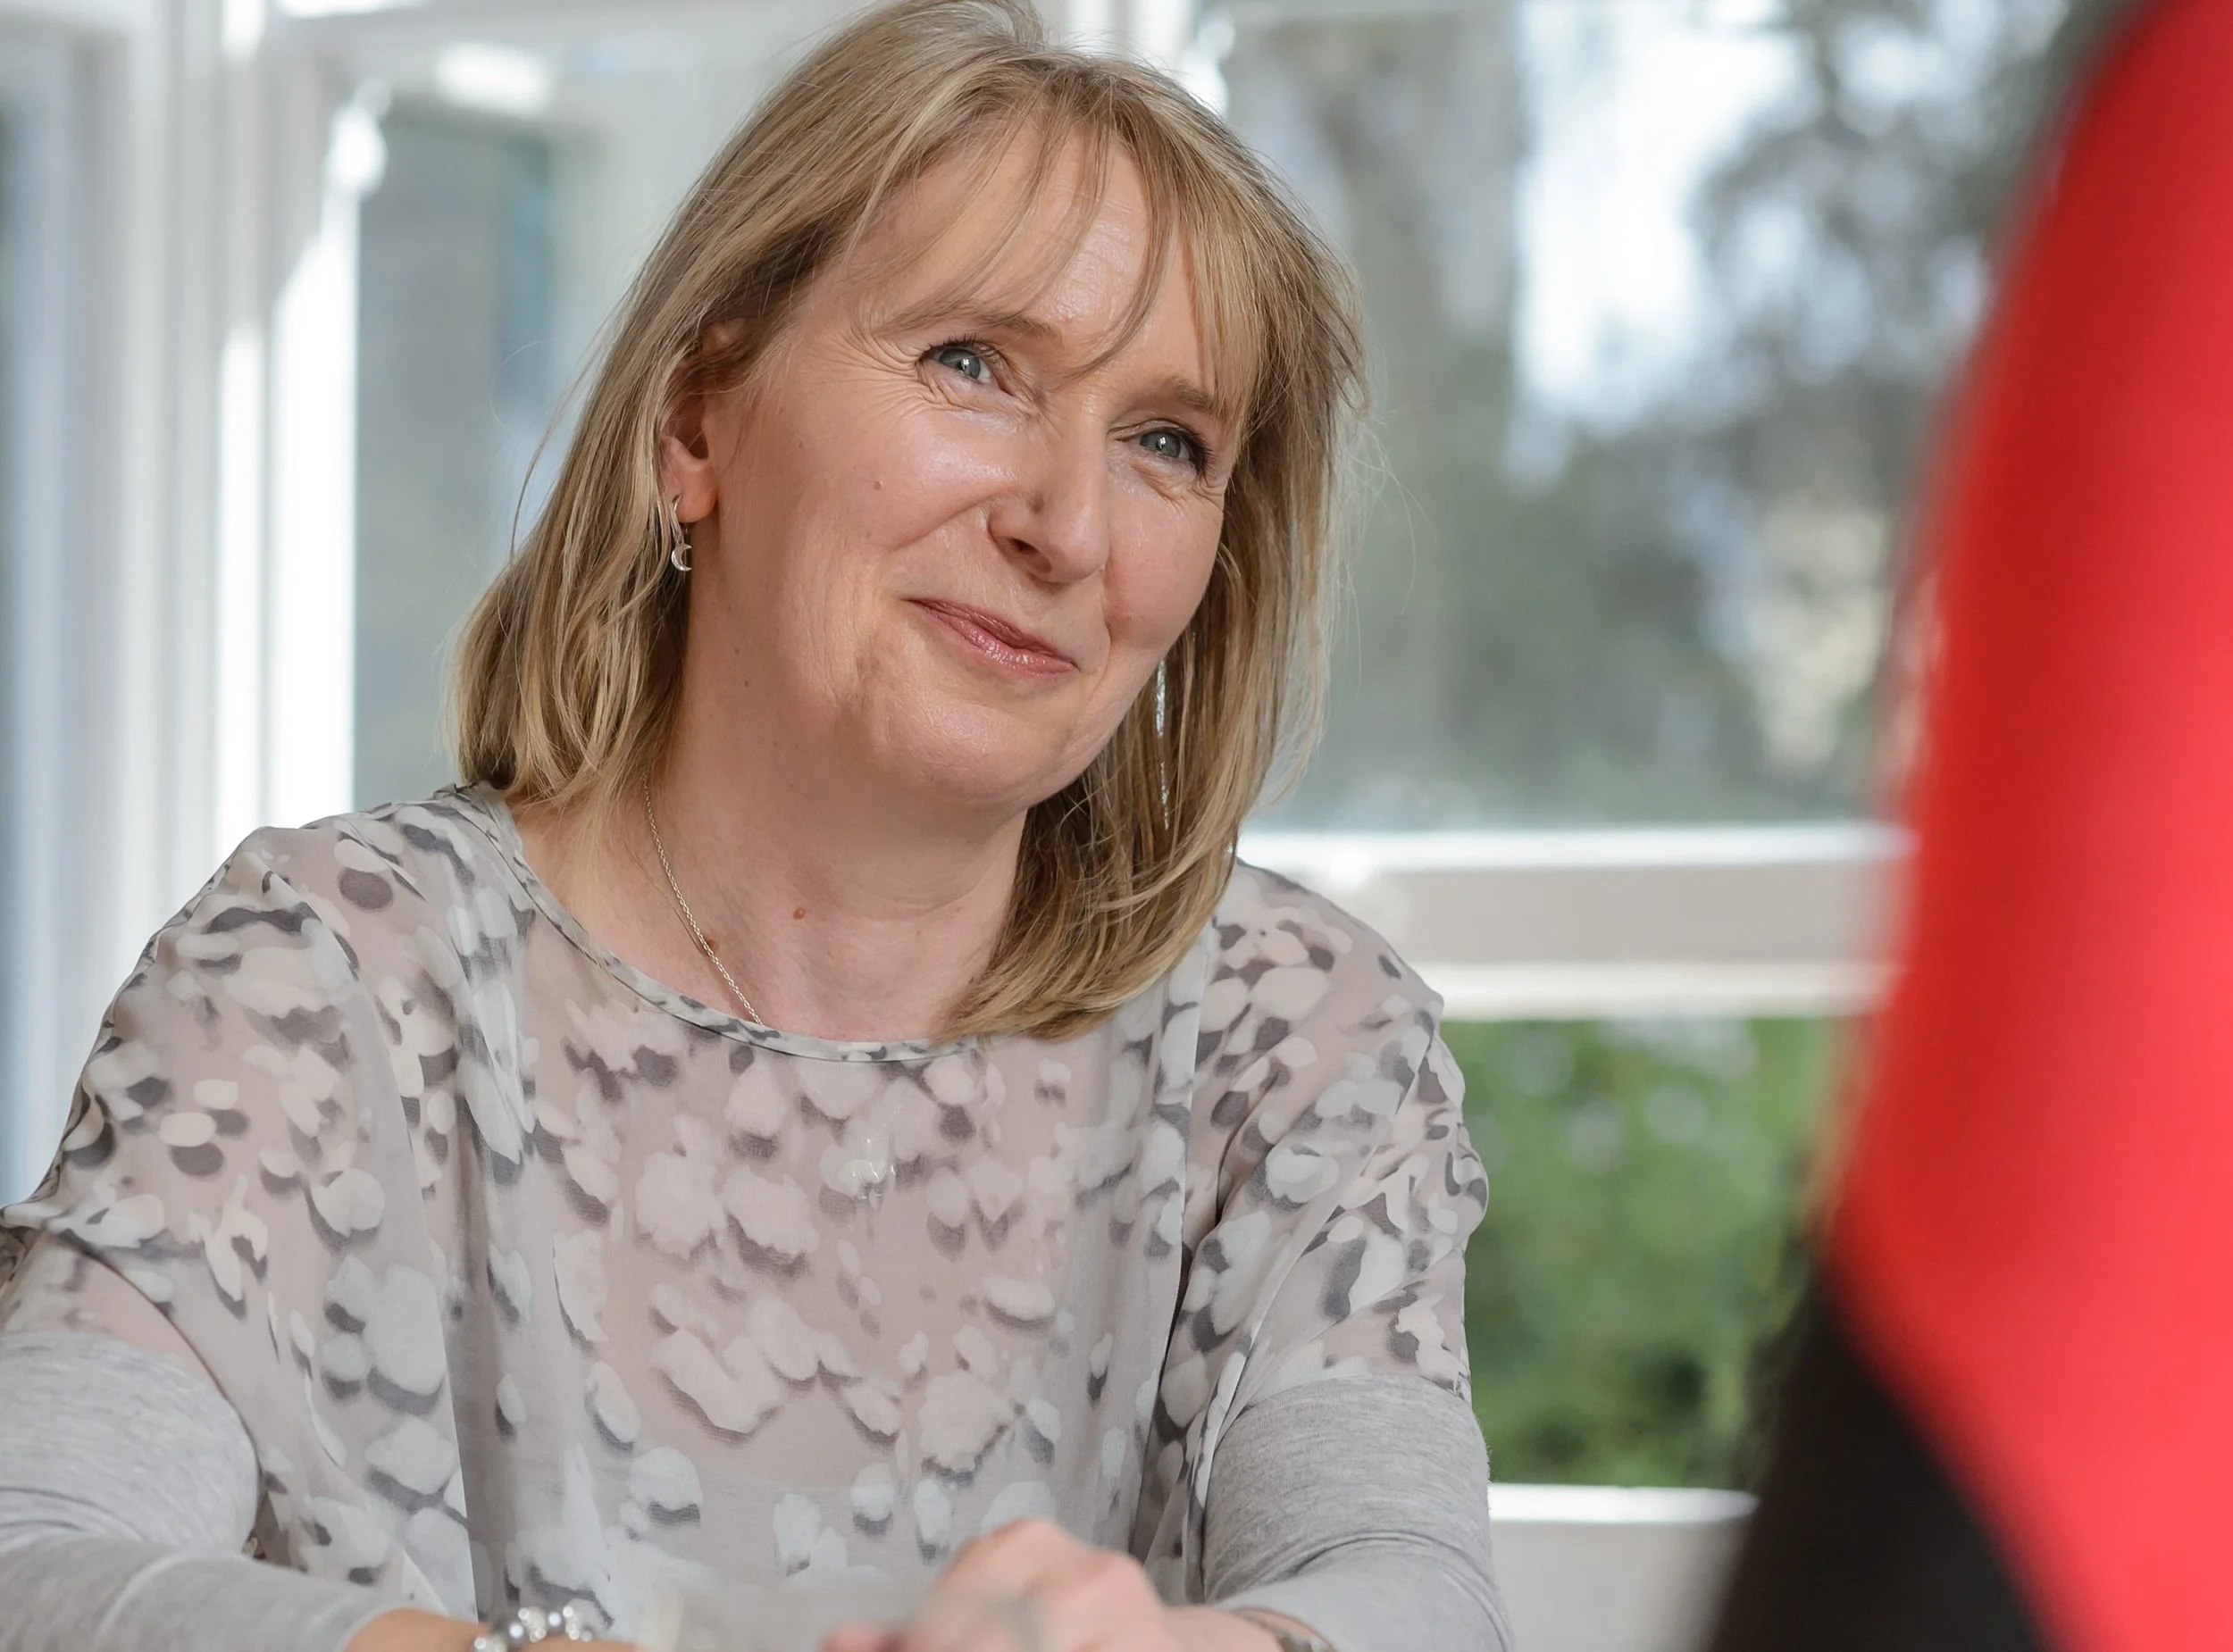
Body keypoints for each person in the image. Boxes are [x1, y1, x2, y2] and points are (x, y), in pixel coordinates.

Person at [0, 4, 1508, 1650]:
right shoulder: (324, 982)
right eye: (973, 364)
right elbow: (29, 1557)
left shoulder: (1289, 1040)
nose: (1068, 526)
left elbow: (1415, 1592)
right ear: (697, 420)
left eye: (1166, 442)